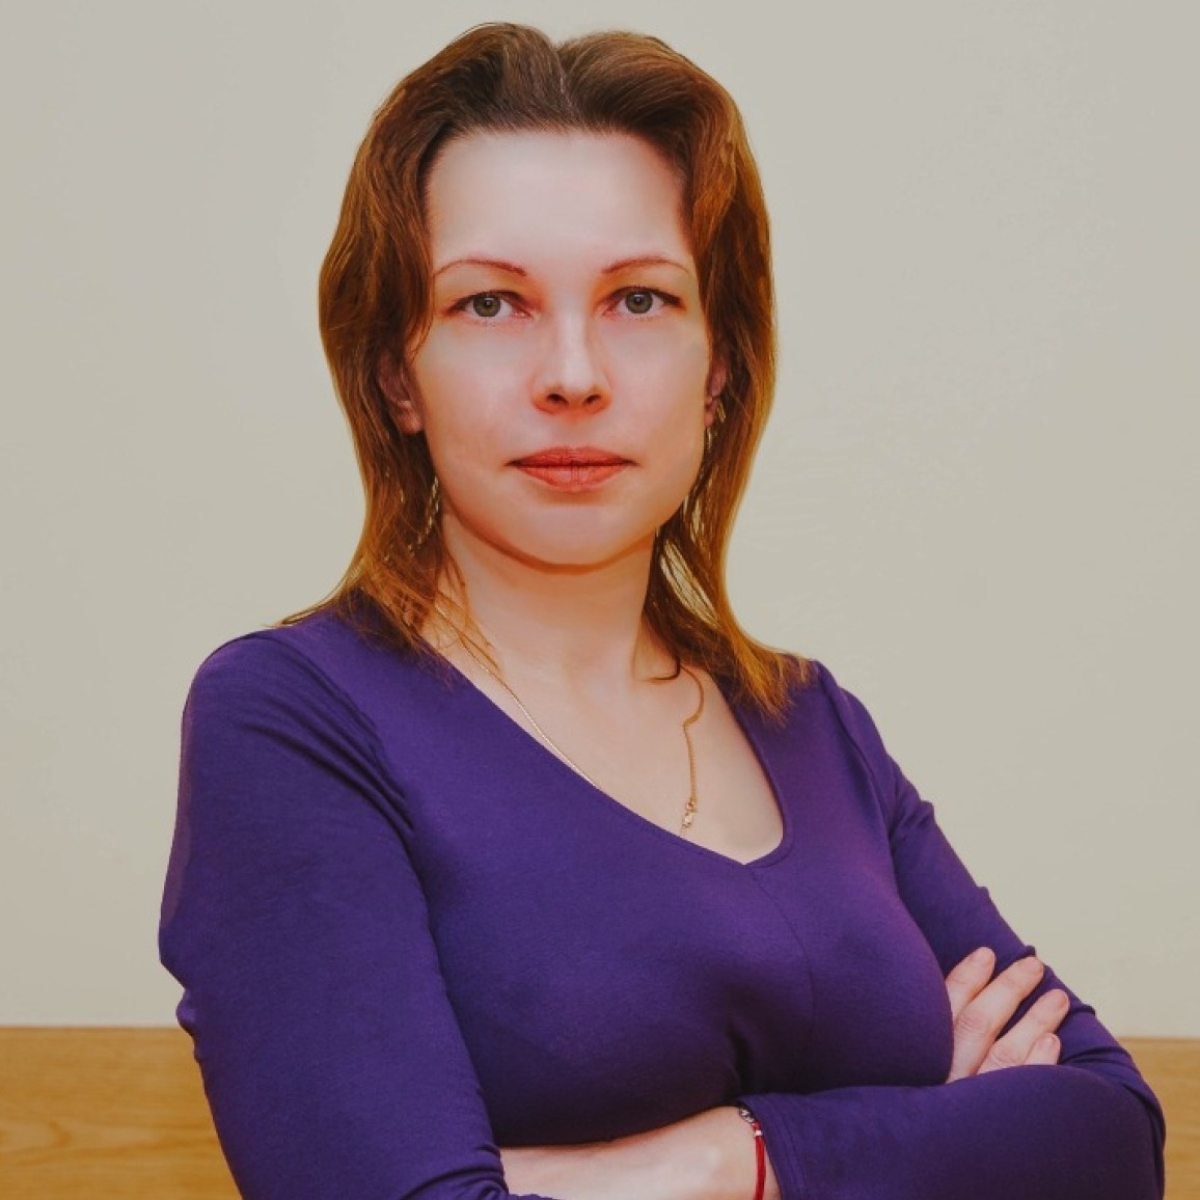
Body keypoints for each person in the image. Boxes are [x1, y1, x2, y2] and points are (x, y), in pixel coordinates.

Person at [159, 23, 1165, 1200]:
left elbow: (1110, 1138)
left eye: (639, 299)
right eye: (491, 305)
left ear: (719, 367)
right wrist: (930, 1134)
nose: (573, 375)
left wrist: (733, 1157)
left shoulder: (811, 722)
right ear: (397, 375)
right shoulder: (292, 721)